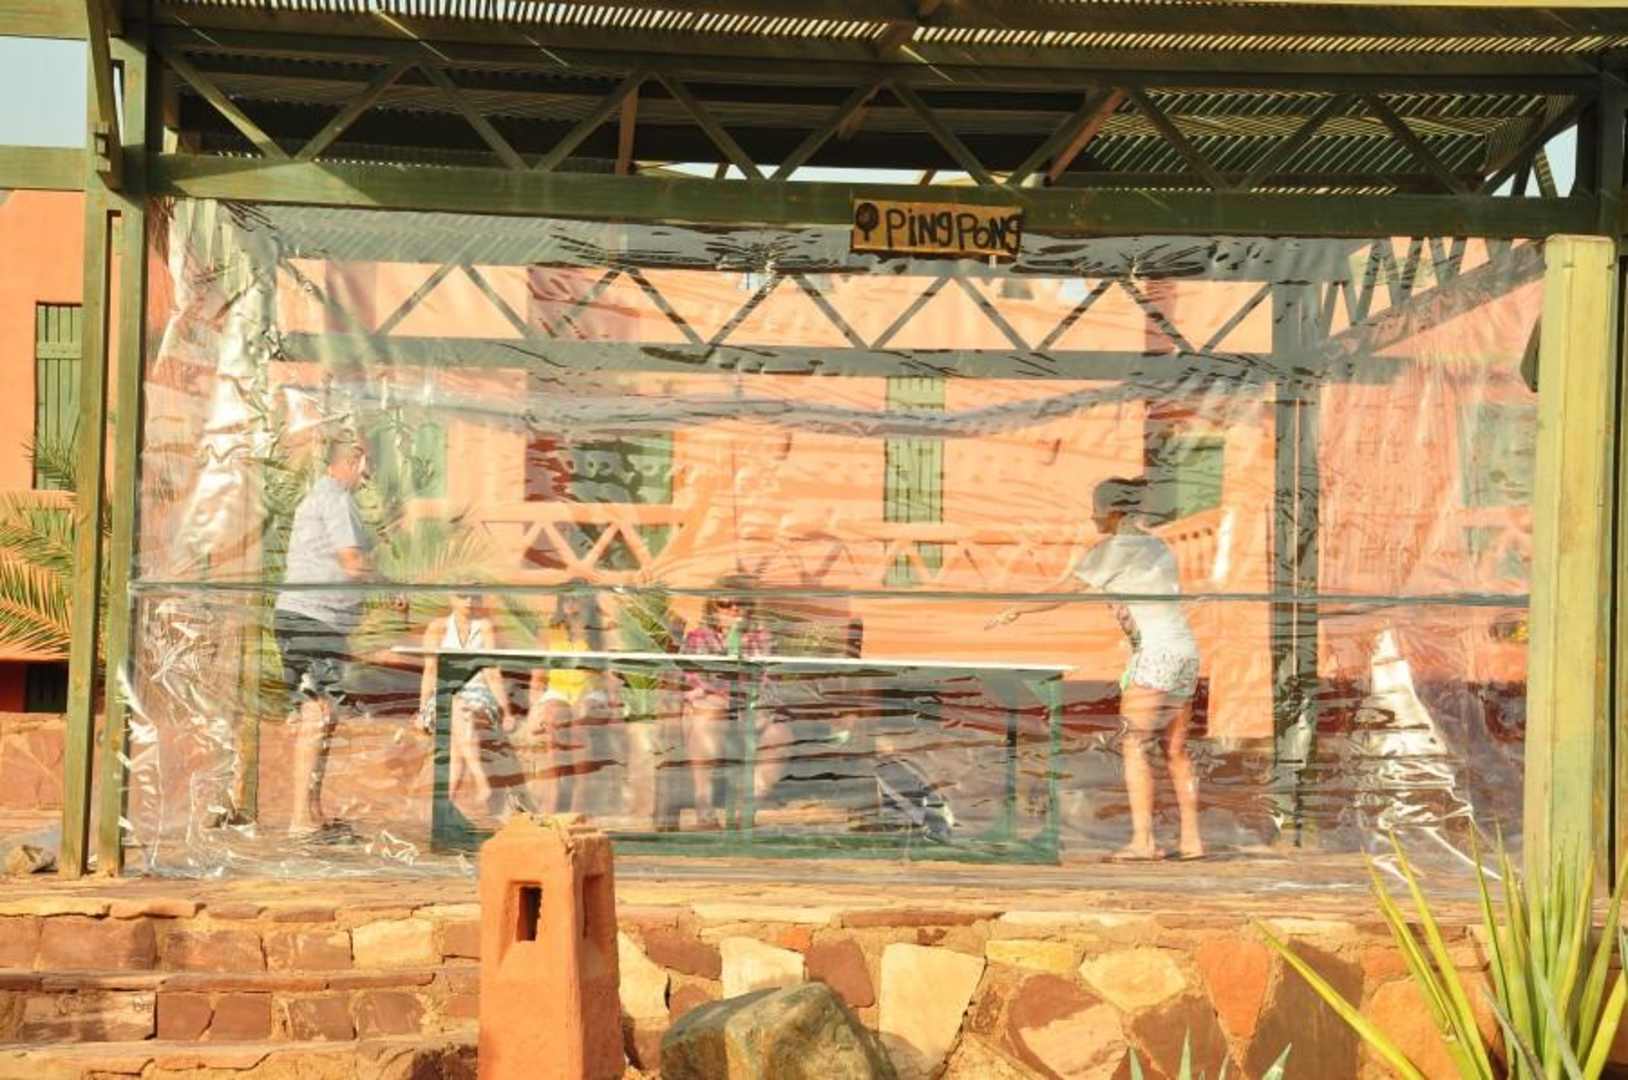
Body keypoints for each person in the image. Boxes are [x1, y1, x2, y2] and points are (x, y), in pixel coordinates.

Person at [990, 477, 1204, 861]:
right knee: (1176, 750)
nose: (1092, 519)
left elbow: (1064, 589)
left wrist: (1017, 608)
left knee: (1134, 745)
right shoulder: (1157, 545)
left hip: (1154, 653)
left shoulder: (1114, 550)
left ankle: (1143, 842)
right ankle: (1192, 842)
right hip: (1185, 652)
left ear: (1114, 512)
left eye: (1096, 511)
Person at [273, 435, 374, 842]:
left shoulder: (320, 497)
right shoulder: (336, 499)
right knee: (317, 713)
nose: (368, 474)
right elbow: (352, 563)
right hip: (313, 619)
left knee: (321, 713)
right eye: (365, 465)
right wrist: (390, 585)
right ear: (348, 463)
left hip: (307, 617)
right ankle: (301, 818)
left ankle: (312, 813)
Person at [679, 576, 792, 829]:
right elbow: (696, 681)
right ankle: (704, 806)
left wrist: (756, 707)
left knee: (779, 734)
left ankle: (747, 807)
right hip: (711, 710)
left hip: (751, 709)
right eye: (725, 603)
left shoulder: (763, 638)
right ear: (712, 608)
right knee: (708, 715)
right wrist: (725, 698)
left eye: (740, 602)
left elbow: (771, 681)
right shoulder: (698, 638)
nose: (733, 609)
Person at [416, 592, 530, 820]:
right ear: (451, 598)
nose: (469, 601)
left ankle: (446, 808)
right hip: (444, 694)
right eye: (463, 596)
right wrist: (421, 711)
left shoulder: (484, 626)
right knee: (458, 709)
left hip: (478, 694)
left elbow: (491, 671)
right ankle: (480, 780)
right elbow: (430, 670)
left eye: (475, 597)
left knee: (459, 722)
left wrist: (506, 711)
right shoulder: (438, 627)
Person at [527, 582, 620, 815]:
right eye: (565, 598)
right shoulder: (549, 632)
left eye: (576, 598)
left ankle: (580, 793)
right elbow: (538, 677)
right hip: (558, 690)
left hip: (590, 690)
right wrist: (533, 707)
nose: (569, 602)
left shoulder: (598, 634)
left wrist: (614, 705)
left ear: (587, 601)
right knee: (554, 717)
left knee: (580, 720)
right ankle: (555, 790)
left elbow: (609, 675)